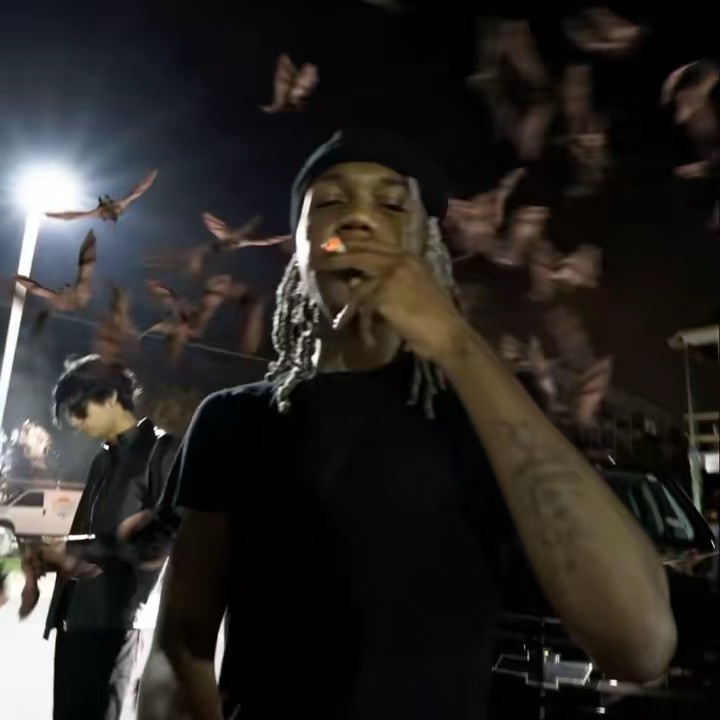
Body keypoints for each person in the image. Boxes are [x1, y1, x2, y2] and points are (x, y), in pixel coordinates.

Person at [140, 130, 677, 720]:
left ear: (429, 249)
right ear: (301, 254)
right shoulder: (236, 419)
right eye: (330, 202)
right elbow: (181, 646)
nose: (359, 218)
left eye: (394, 206)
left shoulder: (488, 413)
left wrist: (456, 342)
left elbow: (640, 644)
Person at [37, 355, 179, 720]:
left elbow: (159, 539)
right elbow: (83, 533)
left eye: (79, 410)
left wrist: (81, 548)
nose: (75, 422)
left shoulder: (162, 451)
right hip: (75, 617)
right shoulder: (101, 460)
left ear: (112, 398)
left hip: (119, 621)